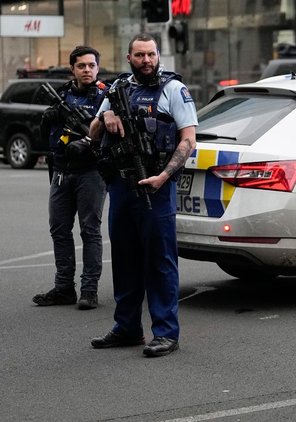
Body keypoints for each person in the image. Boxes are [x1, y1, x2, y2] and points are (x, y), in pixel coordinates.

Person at [88, 34, 197, 358]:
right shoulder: (117, 88)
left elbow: (189, 140)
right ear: (129, 58)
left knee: (160, 261)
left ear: (158, 56)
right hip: (122, 185)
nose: (146, 60)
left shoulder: (173, 90)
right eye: (139, 55)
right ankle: (127, 328)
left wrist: (164, 176)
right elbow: (92, 133)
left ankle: (165, 333)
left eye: (151, 54)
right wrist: (104, 116)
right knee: (124, 259)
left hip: (157, 187)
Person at [33, 46, 108, 310]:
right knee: (59, 229)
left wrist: (88, 142)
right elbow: (46, 138)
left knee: (90, 231)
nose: (87, 70)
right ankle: (64, 288)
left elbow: (114, 133)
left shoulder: (107, 97)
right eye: (81, 66)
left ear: (97, 68)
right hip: (62, 171)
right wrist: (47, 120)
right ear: (72, 69)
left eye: (91, 65)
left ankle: (89, 290)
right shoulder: (62, 95)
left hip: (91, 172)